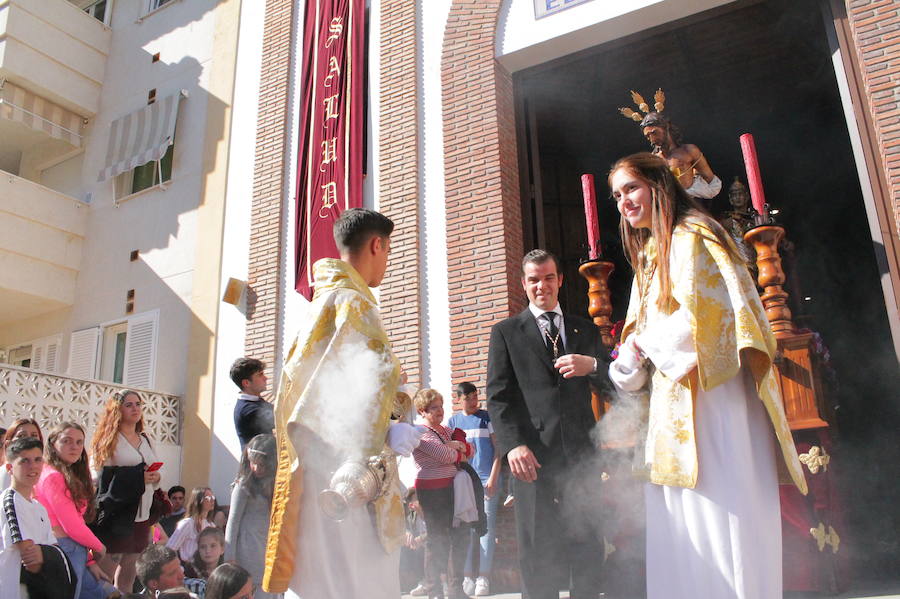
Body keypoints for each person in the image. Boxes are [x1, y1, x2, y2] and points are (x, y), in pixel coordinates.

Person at [606, 152, 807, 599]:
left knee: (720, 520)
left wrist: (647, 346)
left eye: (631, 188)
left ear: (660, 185)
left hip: (715, 403)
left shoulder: (695, 236)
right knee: (681, 530)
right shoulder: (651, 255)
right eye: (617, 195)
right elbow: (635, 334)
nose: (623, 201)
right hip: (671, 407)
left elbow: (718, 317)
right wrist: (628, 361)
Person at [263, 208, 422, 599]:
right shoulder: (356, 303)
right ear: (376, 244)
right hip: (349, 477)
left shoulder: (321, 303)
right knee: (360, 582)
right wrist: (390, 427)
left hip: (317, 467)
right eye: (388, 250)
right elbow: (366, 389)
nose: (386, 260)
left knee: (325, 580)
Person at [486, 248, 606, 599]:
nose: (543, 286)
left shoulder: (583, 329)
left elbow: (613, 383)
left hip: (581, 459)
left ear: (560, 280)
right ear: (524, 284)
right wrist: (512, 445)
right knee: (539, 554)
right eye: (534, 279)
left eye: (549, 277)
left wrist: (593, 366)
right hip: (532, 461)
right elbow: (498, 396)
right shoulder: (506, 332)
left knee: (587, 548)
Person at [90, 390, 162, 593]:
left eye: (138, 404)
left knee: (130, 570)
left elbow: (154, 470)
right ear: (117, 409)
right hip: (119, 513)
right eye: (129, 404)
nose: (135, 408)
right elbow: (98, 477)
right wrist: (135, 478)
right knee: (106, 571)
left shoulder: (146, 439)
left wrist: (156, 478)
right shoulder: (108, 440)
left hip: (142, 514)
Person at [35, 422, 113, 599]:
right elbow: (71, 524)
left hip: (72, 548)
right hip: (66, 546)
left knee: (100, 593)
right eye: (67, 441)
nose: (75, 447)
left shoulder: (57, 472)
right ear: (53, 444)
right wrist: (99, 547)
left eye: (79, 442)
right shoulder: (53, 476)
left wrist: (90, 559)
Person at [412, 389, 474, 599]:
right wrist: (456, 449)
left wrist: (456, 446)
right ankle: (434, 591)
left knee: (459, 537)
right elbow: (445, 455)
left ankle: (456, 590)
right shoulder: (418, 433)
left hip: (453, 490)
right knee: (436, 540)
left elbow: (471, 450)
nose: (440, 411)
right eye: (434, 408)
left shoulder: (446, 431)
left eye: (441, 406)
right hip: (432, 492)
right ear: (422, 411)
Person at [1, 436, 77, 599]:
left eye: (37, 460)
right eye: (24, 461)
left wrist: (46, 554)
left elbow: (51, 549)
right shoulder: (11, 501)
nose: (33, 466)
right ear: (9, 468)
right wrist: (46, 555)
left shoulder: (38, 507)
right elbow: (31, 560)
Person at [619, 89, 721, 201]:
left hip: (693, 204)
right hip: (668, 207)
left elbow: (709, 179)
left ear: (666, 128)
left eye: (654, 133)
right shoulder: (654, 160)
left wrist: (696, 195)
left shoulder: (688, 150)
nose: (652, 139)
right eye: (648, 136)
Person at [447, 383, 499, 597]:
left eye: (476, 396)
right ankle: (467, 576)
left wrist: (494, 477)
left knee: (486, 529)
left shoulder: (487, 418)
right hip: (464, 481)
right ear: (459, 398)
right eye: (468, 397)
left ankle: (484, 577)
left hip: (487, 479)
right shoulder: (453, 422)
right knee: (466, 528)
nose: (473, 401)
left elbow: (499, 449)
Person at [224, 435, 278, 599]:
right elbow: (232, 524)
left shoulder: (274, 485)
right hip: (247, 553)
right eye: (253, 462)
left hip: (266, 552)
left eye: (262, 465)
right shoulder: (243, 486)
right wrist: (229, 559)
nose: (256, 468)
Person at [230, 358, 274, 449]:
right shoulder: (248, 409)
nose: (265, 378)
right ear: (246, 383)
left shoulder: (255, 401)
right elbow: (282, 417)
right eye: (260, 375)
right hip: (258, 462)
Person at [166, 487, 216, 563]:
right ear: (199, 501)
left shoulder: (211, 525)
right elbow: (169, 548)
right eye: (208, 497)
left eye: (212, 497)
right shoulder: (187, 523)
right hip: (189, 567)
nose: (212, 500)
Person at [0, 418, 43, 490]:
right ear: (9, 443)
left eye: (34, 435)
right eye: (22, 436)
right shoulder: (7, 472)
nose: (28, 439)